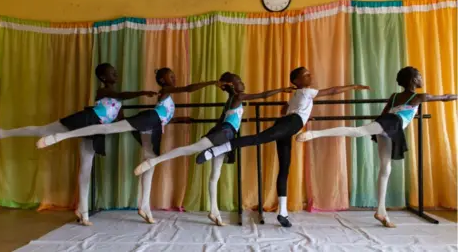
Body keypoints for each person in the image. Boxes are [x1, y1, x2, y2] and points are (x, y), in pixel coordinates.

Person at [36, 67, 226, 224]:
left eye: (174, 75)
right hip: (149, 120)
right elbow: (188, 89)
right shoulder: (166, 91)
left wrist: (180, 119)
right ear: (161, 80)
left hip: (154, 127)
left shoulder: (168, 98)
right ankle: (60, 136)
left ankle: (144, 206)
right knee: (108, 129)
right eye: (170, 76)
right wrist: (211, 83)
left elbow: (165, 116)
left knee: (150, 161)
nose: (173, 78)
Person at [0, 63, 157, 226]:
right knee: (40, 131)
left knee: (86, 167)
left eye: (115, 71)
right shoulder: (103, 92)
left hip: (94, 132)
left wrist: (140, 141)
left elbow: (124, 124)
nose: (115, 73)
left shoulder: (118, 104)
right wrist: (142, 93)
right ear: (103, 78)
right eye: (112, 72)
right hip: (84, 120)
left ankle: (83, 211)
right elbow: (119, 95)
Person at [195, 66, 370, 227]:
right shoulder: (308, 91)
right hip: (290, 124)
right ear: (297, 81)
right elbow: (333, 91)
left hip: (289, 124)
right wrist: (353, 86)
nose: (310, 76)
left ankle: (283, 212)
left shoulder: (298, 95)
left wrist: (304, 116)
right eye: (306, 75)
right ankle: (216, 150)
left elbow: (287, 110)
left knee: (284, 167)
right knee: (258, 139)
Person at [295, 66, 457, 228]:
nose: (422, 79)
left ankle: (381, 211)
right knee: (358, 132)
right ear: (414, 80)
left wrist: (377, 126)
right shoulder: (420, 96)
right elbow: (445, 97)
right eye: (419, 76)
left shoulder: (395, 96)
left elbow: (384, 112)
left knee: (386, 168)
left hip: (388, 126)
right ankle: (313, 134)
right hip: (391, 124)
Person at [134, 71, 295, 226]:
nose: (243, 83)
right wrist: (281, 90)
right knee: (191, 149)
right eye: (239, 81)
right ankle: (154, 161)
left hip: (226, 134)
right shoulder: (238, 97)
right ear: (231, 85)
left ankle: (214, 211)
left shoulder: (231, 100)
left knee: (215, 174)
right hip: (224, 134)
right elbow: (263, 95)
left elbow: (222, 120)